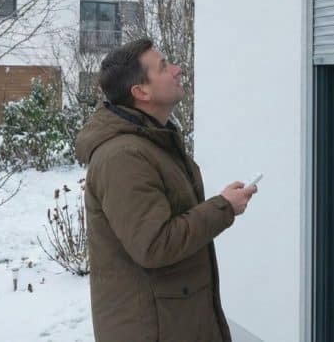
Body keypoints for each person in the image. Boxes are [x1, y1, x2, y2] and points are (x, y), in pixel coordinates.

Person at [75, 38, 256, 342]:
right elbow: (154, 244)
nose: (177, 69)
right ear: (141, 92)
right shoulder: (123, 157)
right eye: (163, 67)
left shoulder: (153, 140)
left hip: (175, 320)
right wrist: (223, 207)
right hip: (152, 329)